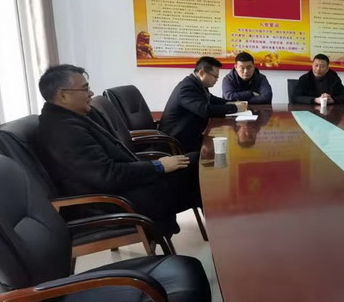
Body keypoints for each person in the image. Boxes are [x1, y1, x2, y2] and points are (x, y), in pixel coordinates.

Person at [35, 64, 200, 236]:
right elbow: (107, 176)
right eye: (85, 89)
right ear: (63, 95)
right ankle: (218, 234)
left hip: (118, 190)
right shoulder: (64, 131)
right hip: (110, 203)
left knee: (197, 163)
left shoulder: (68, 118)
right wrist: (158, 166)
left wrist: (156, 165)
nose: (91, 93)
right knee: (197, 171)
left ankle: (217, 231)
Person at [159, 57, 247, 153]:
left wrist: (231, 102)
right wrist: (235, 108)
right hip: (176, 142)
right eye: (215, 76)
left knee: (220, 146)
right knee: (217, 150)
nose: (217, 80)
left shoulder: (197, 84)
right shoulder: (187, 88)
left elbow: (212, 99)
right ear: (201, 73)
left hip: (191, 135)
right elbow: (205, 110)